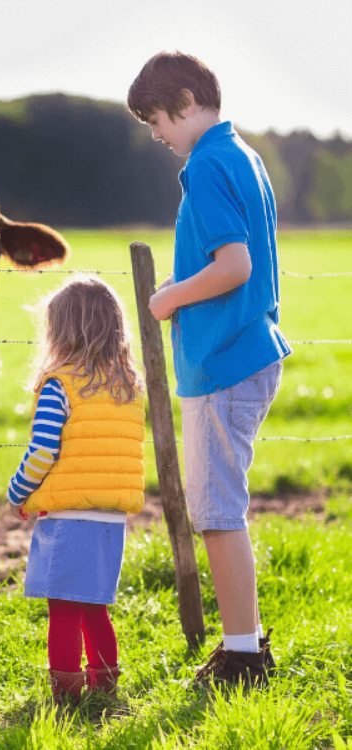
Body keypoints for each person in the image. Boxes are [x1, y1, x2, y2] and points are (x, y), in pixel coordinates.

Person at [127, 51, 292, 688]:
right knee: (218, 510)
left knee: (218, 514)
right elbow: (226, 260)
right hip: (242, 350)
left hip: (225, 359)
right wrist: (183, 284)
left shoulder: (207, 163)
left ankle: (244, 658)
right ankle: (244, 646)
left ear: (189, 100)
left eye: (157, 118)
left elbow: (235, 267)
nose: (155, 133)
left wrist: (168, 298)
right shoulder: (241, 155)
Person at [6, 275, 146, 705]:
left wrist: (17, 492)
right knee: (94, 608)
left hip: (69, 519)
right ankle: (104, 690)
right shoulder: (126, 385)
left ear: (58, 331)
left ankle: (65, 697)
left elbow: (43, 449)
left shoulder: (60, 383)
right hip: (111, 519)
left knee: (63, 610)